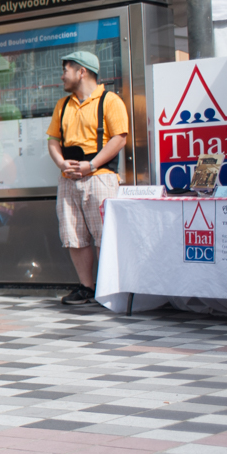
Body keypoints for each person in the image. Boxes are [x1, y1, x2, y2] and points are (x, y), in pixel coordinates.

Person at [46, 50, 128, 305]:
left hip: (100, 176)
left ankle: (108, 286)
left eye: (66, 70)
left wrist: (91, 165)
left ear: (81, 71)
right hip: (68, 178)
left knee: (105, 233)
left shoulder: (109, 100)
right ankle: (86, 286)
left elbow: (119, 138)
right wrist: (61, 162)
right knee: (74, 234)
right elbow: (53, 140)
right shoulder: (63, 105)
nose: (62, 76)